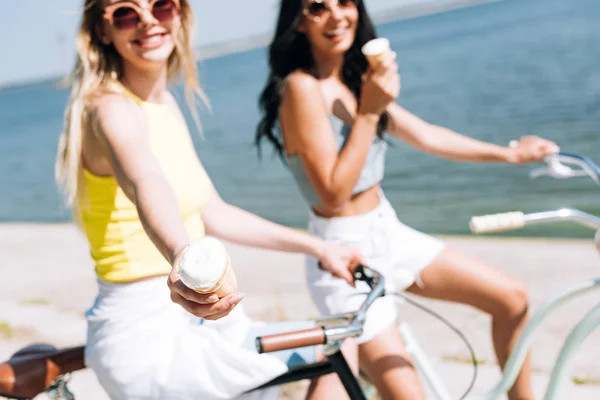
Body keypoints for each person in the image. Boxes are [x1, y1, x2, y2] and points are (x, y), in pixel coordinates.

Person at [55, 1, 363, 399]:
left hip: (202, 320)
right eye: (126, 13)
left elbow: (212, 212)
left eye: (161, 6)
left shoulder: (164, 105)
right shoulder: (109, 108)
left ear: (179, 14)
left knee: (335, 341)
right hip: (149, 334)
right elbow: (144, 181)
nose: (148, 21)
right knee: (336, 344)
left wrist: (320, 246)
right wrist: (184, 256)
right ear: (102, 30)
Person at [254, 0, 560, 399]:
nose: (337, 16)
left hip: (388, 231)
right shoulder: (301, 88)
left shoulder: (353, 80)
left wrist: (509, 154)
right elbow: (332, 195)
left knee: (511, 299)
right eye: (317, 7)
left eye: (344, 2)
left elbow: (427, 135)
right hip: (345, 259)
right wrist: (368, 112)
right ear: (298, 23)